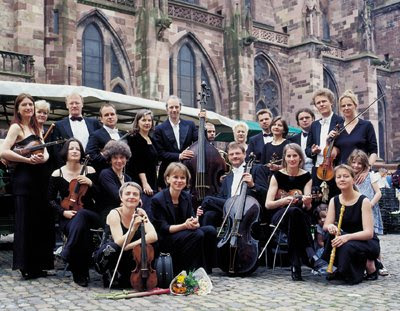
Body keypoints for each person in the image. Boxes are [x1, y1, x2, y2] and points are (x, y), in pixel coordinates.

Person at [0, 93, 54, 279]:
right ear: (18, 108)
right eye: (25, 105)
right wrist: (26, 159)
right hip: (24, 179)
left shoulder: (36, 127)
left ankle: (39, 265)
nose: (29, 108)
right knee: (25, 223)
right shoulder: (16, 127)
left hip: (40, 178)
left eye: (31, 104)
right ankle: (26, 266)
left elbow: (45, 151)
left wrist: (42, 158)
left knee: (40, 222)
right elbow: (4, 151)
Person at [265, 143, 328, 281]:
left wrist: (307, 203)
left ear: (300, 158)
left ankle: (295, 265)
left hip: (299, 216)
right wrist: (284, 201)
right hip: (279, 215)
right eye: (289, 156)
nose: (292, 159)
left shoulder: (306, 176)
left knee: (295, 214)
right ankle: (310, 255)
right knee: (294, 212)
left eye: (295, 156)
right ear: (285, 158)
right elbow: (268, 204)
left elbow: (307, 207)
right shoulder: (277, 176)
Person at [48, 138, 100, 287]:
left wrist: (91, 183)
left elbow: (100, 196)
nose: (75, 151)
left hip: (89, 213)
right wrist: (63, 213)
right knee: (80, 229)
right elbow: (50, 200)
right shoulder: (57, 173)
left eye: (78, 148)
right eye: (71, 148)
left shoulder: (90, 171)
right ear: (66, 151)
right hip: (68, 216)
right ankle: (81, 273)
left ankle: (68, 251)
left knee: (82, 216)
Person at [151, 162, 216, 274]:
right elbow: (163, 228)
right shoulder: (158, 199)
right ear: (168, 179)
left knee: (210, 230)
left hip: (184, 232)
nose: (179, 180)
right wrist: (185, 226)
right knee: (198, 234)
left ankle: (205, 269)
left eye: (183, 178)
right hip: (166, 237)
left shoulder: (186, 196)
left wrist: (195, 223)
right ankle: (187, 269)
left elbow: (190, 218)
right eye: (175, 177)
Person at [323, 164, 380, 284]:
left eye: (345, 176)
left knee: (346, 245)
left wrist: (346, 237)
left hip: (366, 241)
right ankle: (341, 268)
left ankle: (357, 270)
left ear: (353, 179)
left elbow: (368, 233)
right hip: (347, 236)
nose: (342, 179)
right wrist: (331, 227)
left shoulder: (364, 201)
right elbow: (326, 225)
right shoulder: (334, 200)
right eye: (338, 177)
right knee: (330, 236)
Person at [93, 182, 158, 288]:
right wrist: (133, 229)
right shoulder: (114, 214)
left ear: (139, 198)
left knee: (152, 245)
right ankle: (109, 273)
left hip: (127, 254)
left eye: (135, 194)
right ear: (121, 197)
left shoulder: (141, 212)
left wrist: (130, 246)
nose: (131, 197)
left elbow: (153, 236)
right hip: (108, 255)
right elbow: (118, 242)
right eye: (127, 194)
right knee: (113, 247)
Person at [200, 142, 268, 228]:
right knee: (209, 215)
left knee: (207, 200)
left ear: (244, 154)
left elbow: (266, 194)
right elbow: (222, 197)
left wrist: (252, 185)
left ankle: (195, 223)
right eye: (231, 154)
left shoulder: (256, 169)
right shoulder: (228, 177)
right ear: (228, 157)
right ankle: (208, 239)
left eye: (237, 153)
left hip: (248, 208)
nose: (234, 156)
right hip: (230, 208)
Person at [348, 149, 388, 276]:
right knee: (361, 238)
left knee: (373, 238)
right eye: (354, 162)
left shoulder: (371, 175)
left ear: (364, 164)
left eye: (359, 163)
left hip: (370, 211)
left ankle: (380, 263)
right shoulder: (349, 177)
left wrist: (370, 204)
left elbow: (378, 193)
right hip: (356, 212)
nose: (356, 166)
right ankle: (365, 264)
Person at [305, 88, 343, 200]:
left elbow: (344, 146)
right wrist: (312, 151)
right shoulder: (314, 125)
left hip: (335, 168)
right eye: (318, 103)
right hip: (317, 169)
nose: (321, 104)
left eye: (324, 101)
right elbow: (307, 149)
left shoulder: (340, 121)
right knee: (317, 202)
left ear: (331, 102)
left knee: (335, 199)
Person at [153, 95, 198, 189]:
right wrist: (178, 156)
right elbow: (160, 153)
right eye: (171, 107)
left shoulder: (190, 125)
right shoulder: (159, 129)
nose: (174, 110)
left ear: (180, 108)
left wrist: (203, 122)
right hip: (168, 173)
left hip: (187, 172)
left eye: (176, 107)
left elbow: (200, 142)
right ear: (167, 109)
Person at [52, 93, 102, 167]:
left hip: (92, 166)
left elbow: (101, 141)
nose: (74, 106)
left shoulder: (94, 123)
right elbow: (56, 151)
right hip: (69, 167)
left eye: (77, 103)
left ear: (82, 104)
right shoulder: (59, 125)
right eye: (71, 103)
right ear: (67, 105)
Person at [334, 90, 378, 170]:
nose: (346, 108)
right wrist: (328, 140)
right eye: (343, 106)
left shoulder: (366, 125)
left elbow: (373, 152)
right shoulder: (337, 128)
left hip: (361, 171)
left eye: (349, 105)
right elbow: (333, 153)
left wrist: (367, 169)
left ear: (355, 105)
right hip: (343, 172)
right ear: (340, 108)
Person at [97, 140, 132, 224]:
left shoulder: (128, 178)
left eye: (122, 157)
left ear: (126, 159)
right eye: (115, 158)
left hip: (125, 210)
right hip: (109, 213)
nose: (119, 161)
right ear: (110, 160)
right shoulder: (105, 174)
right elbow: (116, 195)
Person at [86, 103, 126, 173]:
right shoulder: (95, 135)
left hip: (123, 175)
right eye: (106, 115)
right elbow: (91, 156)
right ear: (101, 119)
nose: (110, 117)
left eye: (112, 114)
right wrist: (106, 154)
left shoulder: (123, 134)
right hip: (105, 174)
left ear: (116, 116)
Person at [126, 109, 158, 197]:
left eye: (149, 120)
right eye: (143, 120)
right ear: (137, 122)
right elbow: (138, 164)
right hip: (139, 180)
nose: (147, 123)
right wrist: (145, 183)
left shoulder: (152, 139)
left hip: (152, 178)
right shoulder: (134, 138)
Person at [260, 116, 290, 182]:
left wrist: (278, 167)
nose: (276, 127)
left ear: (284, 129)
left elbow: (292, 165)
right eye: (274, 125)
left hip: (284, 178)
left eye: (279, 125)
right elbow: (262, 165)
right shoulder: (266, 146)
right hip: (268, 180)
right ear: (271, 128)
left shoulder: (289, 145)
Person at [289, 108, 315, 173]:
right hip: (299, 171)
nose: (304, 120)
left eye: (307, 117)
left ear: (313, 119)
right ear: (298, 123)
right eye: (301, 119)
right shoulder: (292, 139)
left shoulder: (320, 135)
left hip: (317, 170)